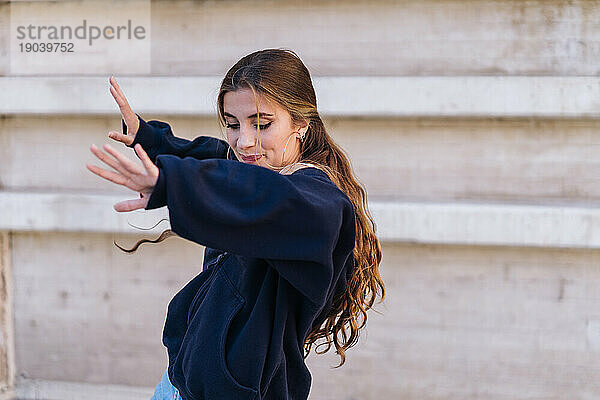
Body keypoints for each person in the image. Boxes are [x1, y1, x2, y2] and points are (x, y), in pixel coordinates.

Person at [86, 48, 385, 400]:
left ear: (302, 123)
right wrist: (151, 140)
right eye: (232, 123)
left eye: (262, 124)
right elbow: (217, 160)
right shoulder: (260, 169)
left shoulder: (318, 205)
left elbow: (262, 197)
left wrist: (170, 183)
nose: (244, 141)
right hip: (177, 383)